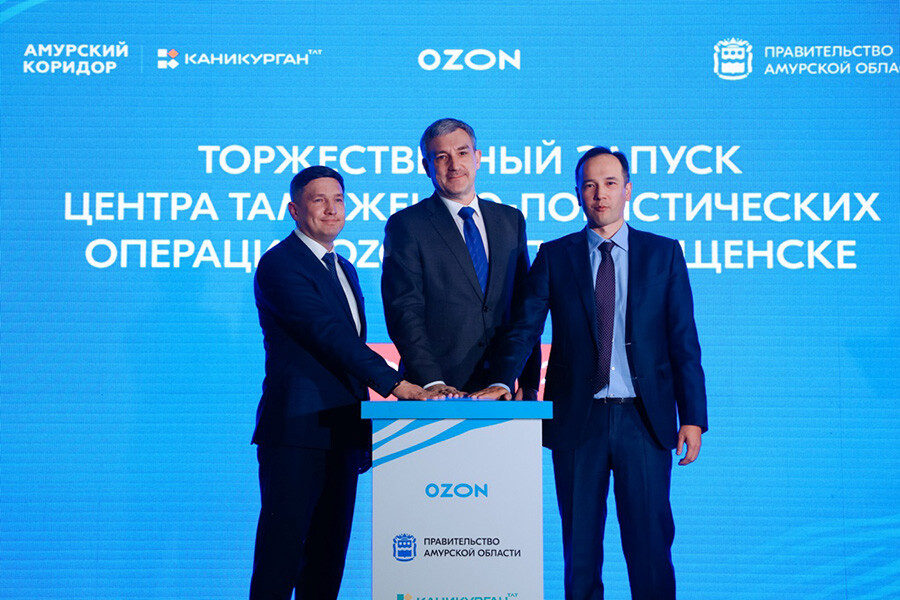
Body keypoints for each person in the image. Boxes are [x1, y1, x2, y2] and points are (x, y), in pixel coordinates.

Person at [475, 147, 708, 599]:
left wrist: (693, 417)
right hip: (577, 422)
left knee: (650, 548)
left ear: (628, 190)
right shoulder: (555, 255)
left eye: (610, 183)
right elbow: (525, 328)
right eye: (589, 185)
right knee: (580, 552)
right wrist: (503, 380)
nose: (600, 194)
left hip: (645, 420)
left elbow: (684, 340)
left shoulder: (663, 254)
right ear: (578, 193)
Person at [249, 166, 432, 600]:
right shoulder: (280, 264)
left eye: (338, 199)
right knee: (280, 558)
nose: (331, 209)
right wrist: (395, 384)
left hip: (343, 432)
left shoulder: (345, 268)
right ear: (295, 210)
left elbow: (349, 349)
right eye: (318, 200)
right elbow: (327, 334)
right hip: (298, 432)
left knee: (328, 560)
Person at [381, 118, 539, 397]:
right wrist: (431, 382)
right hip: (437, 391)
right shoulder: (407, 225)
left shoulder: (510, 220)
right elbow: (404, 310)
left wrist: (526, 383)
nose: (454, 165)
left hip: (501, 388)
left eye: (462, 153)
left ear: (477, 158)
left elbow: (525, 309)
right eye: (442, 157)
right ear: (426, 166)